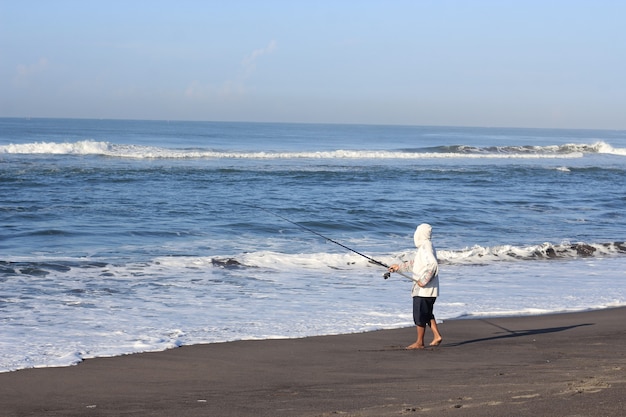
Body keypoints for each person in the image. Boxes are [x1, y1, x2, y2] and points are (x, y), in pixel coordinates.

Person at [389, 223, 443, 349]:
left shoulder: (425, 247)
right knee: (427, 314)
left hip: (424, 289)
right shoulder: (426, 247)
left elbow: (433, 265)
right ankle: (437, 336)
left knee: (419, 315)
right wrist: (399, 267)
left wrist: (423, 281)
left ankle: (419, 342)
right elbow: (417, 264)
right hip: (430, 290)